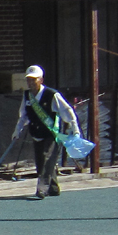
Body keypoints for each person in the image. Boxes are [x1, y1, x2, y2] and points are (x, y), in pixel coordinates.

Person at [14, 65, 80, 200]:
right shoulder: (27, 95)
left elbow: (67, 111)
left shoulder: (52, 95)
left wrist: (75, 129)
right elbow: (23, 116)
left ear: (41, 80)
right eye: (29, 80)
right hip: (36, 133)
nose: (31, 83)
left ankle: (42, 189)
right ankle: (53, 188)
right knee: (40, 161)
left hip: (51, 133)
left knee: (47, 158)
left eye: (34, 79)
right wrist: (17, 130)